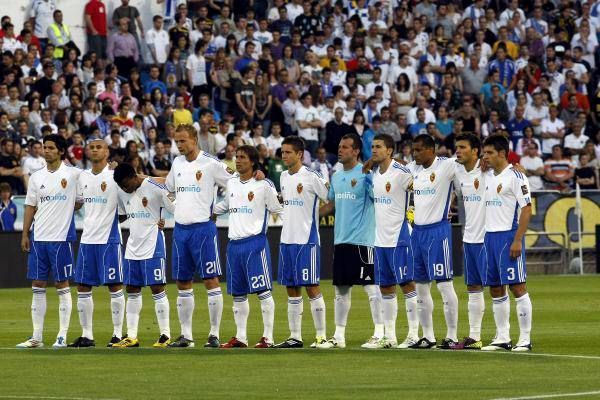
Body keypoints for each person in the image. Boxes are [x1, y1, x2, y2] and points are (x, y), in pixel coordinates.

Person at [165, 124, 232, 348]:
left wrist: (218, 209)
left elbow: (235, 186)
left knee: (210, 280)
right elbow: (169, 190)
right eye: (177, 141)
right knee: (183, 282)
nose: (179, 145)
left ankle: (214, 334)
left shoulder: (211, 163)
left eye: (183, 141)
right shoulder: (177, 163)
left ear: (194, 139)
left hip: (203, 230)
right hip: (180, 230)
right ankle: (186, 335)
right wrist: (177, 209)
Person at [317, 134, 383, 349]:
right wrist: (310, 216)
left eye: (346, 147)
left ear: (356, 151)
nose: (341, 150)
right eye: (339, 146)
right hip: (341, 240)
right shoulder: (336, 176)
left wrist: (371, 176)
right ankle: (339, 336)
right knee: (341, 291)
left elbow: (378, 199)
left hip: (363, 241)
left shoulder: (366, 174)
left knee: (371, 288)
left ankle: (380, 333)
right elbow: (331, 204)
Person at [213, 145, 282, 348]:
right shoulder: (232, 183)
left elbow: (278, 208)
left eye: (242, 157)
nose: (238, 160)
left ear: (252, 161)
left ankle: (268, 337)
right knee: (238, 294)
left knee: (263, 291)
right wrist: (204, 209)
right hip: (234, 244)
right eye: (237, 157)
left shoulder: (264, 184)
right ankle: (241, 337)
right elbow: (225, 206)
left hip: (255, 244)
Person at [17, 134, 81, 348]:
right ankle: (37, 337)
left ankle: (61, 336)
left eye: (51, 147)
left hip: (61, 239)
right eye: (45, 147)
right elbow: (30, 206)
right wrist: (26, 234)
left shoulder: (74, 174)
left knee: (62, 285)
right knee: (37, 284)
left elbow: (81, 201)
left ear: (61, 151)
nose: (47, 151)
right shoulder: (36, 177)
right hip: (39, 238)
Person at [68, 139, 126, 348]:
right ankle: (87, 335)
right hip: (87, 239)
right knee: (83, 286)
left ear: (107, 151)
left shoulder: (114, 176)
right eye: (91, 147)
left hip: (109, 239)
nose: (94, 150)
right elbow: (78, 203)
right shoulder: (82, 177)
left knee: (115, 285)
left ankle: (118, 334)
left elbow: (126, 208)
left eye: (98, 147)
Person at [111, 162, 174, 347]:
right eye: (121, 186)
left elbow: (177, 207)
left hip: (153, 243)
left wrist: (165, 221)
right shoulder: (123, 192)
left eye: (126, 184)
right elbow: (123, 215)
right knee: (131, 288)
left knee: (157, 288)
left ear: (133, 177)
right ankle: (131, 336)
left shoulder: (155, 187)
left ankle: (165, 334)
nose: (124, 188)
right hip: (132, 246)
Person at [405, 134, 459, 349]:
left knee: (445, 285)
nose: (414, 154)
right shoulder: (412, 169)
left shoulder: (447, 166)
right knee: (421, 288)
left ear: (431, 150)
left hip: (438, 232)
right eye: (413, 150)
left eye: (418, 150)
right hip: (417, 233)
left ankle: (452, 336)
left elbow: (473, 167)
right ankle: (428, 336)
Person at [274, 136, 328, 348]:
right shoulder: (283, 177)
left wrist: (315, 215)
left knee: (311, 287)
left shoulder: (311, 176)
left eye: (288, 152)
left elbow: (329, 196)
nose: (284, 156)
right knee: (291, 288)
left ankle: (321, 336)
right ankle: (295, 336)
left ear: (299, 154)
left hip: (307, 240)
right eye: (282, 152)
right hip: (287, 239)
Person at [481, 134, 533, 352]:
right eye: (484, 152)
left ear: (502, 154)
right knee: (495, 288)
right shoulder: (487, 175)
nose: (485, 157)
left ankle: (525, 339)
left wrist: (518, 240)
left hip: (508, 237)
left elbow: (527, 208)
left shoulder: (516, 176)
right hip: (489, 236)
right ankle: (502, 337)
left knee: (517, 286)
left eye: (489, 153)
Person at [367, 134, 419, 349]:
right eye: (372, 147)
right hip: (380, 240)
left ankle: (414, 334)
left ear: (389, 150)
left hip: (399, 237)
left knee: (407, 284)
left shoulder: (402, 173)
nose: (374, 150)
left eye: (378, 147)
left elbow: (422, 189)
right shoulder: (374, 174)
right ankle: (389, 336)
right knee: (386, 287)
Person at [451, 133, 487, 350]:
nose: (458, 151)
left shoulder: (488, 169)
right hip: (470, 237)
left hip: (488, 238)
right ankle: (474, 337)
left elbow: (510, 172)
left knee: (500, 288)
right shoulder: (457, 171)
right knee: (473, 287)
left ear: (475, 151)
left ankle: (506, 336)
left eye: (463, 147)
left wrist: (519, 167)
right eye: (457, 147)